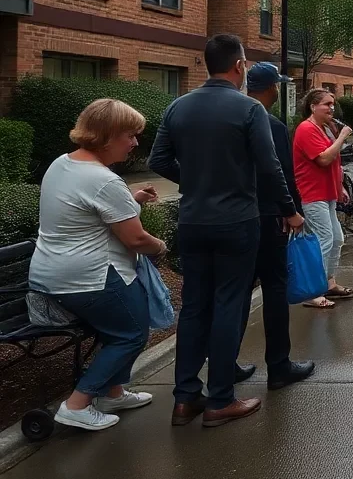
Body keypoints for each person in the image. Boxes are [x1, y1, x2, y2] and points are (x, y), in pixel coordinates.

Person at [150, 34, 304, 429]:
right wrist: (289, 210)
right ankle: (220, 399)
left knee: (195, 306)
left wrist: (196, 181)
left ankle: (185, 399)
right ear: (239, 66)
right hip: (236, 220)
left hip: (192, 220)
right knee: (228, 304)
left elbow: (158, 158)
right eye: (246, 65)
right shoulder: (248, 110)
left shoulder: (178, 106)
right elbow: (269, 169)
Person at [28, 99, 167, 432]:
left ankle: (114, 392)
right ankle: (77, 405)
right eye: (129, 135)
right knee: (131, 334)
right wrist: (162, 247)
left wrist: (129, 200)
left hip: (51, 272)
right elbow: (135, 240)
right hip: (90, 278)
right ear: (107, 136)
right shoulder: (104, 181)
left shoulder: (62, 164)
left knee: (118, 328)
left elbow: (83, 211)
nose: (135, 143)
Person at [234, 62, 315, 389]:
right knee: (275, 290)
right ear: (269, 88)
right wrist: (292, 210)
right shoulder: (272, 125)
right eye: (277, 85)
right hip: (269, 218)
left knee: (235, 294)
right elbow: (280, 173)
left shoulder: (231, 120)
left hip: (236, 217)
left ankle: (227, 364)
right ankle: (279, 366)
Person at [292, 88, 353, 309]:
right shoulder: (306, 129)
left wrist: (340, 187)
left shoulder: (323, 129)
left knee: (336, 238)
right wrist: (342, 137)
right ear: (312, 106)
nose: (331, 108)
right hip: (312, 193)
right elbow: (324, 159)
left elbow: (335, 163)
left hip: (327, 192)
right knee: (323, 240)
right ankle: (312, 292)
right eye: (326, 104)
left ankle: (328, 283)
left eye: (333, 104)